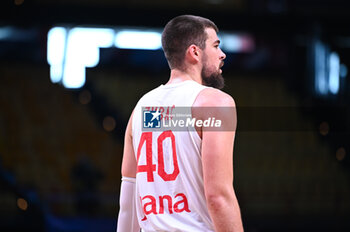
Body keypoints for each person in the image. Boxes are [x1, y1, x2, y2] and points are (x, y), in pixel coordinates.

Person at [117, 15, 243, 232]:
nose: (222, 54)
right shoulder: (215, 103)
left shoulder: (141, 111)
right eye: (215, 46)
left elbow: (128, 202)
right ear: (195, 52)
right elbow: (218, 197)